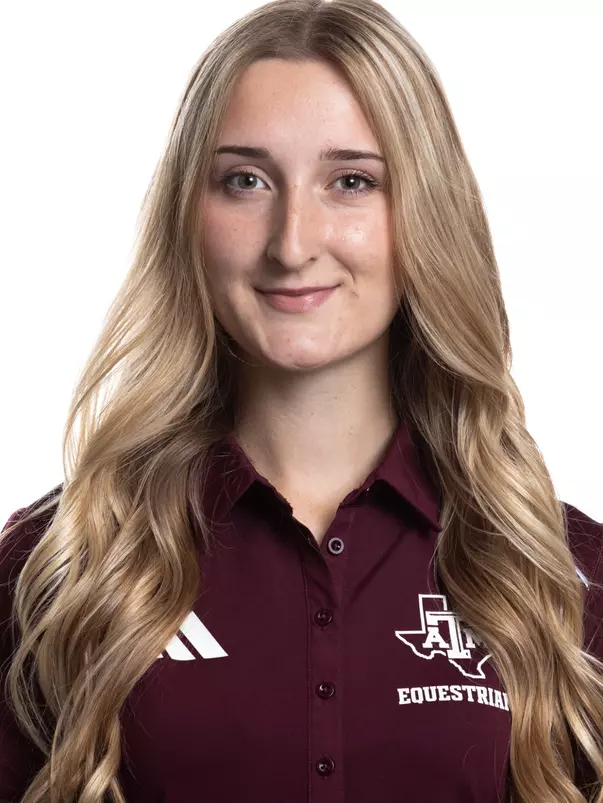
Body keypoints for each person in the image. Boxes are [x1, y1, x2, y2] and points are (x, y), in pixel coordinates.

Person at [1, 1, 602, 801]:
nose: (291, 242)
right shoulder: (61, 569)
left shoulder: (556, 572)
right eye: (244, 181)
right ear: (188, 214)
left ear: (424, 214)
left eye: (350, 181)